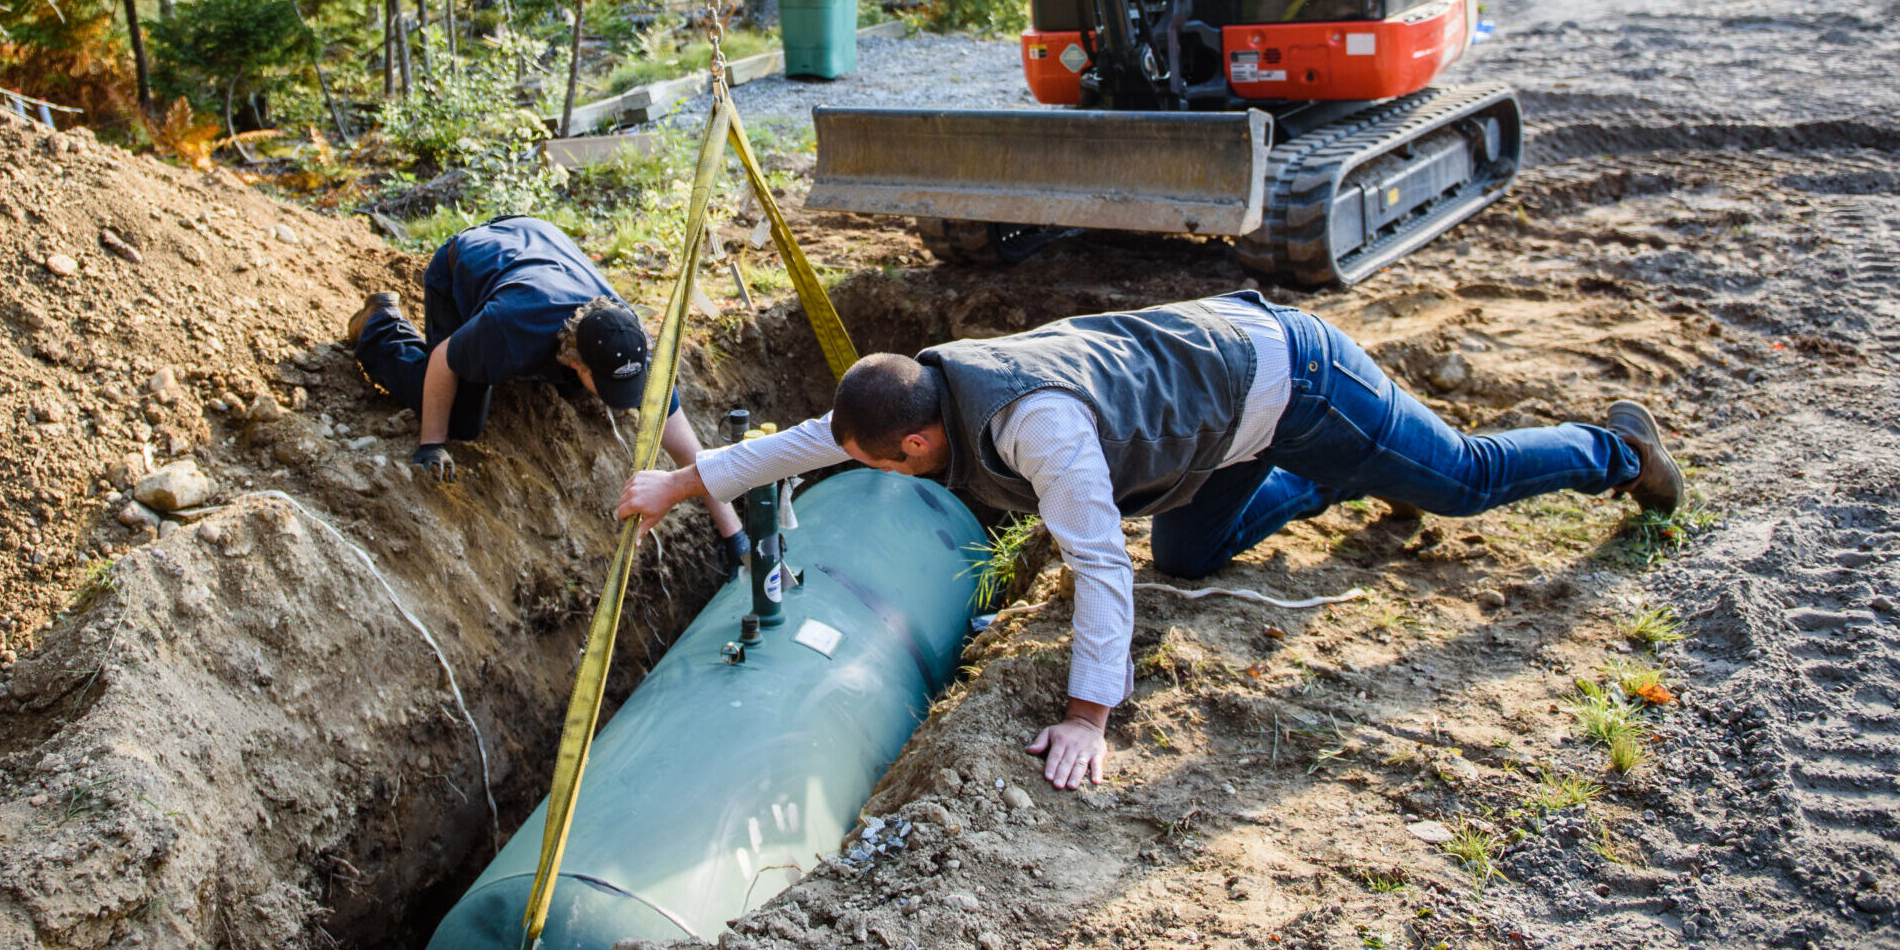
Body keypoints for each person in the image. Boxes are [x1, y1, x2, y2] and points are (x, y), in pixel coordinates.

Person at [616, 290, 1681, 790]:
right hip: (1218, 423)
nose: (890, 473)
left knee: (1457, 479)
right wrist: (678, 481)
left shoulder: (1043, 433)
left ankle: (1614, 450)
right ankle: (1339, 484)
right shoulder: (919, 390)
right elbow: (819, 437)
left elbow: (1094, 562)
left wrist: (1090, 714)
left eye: (895, 461)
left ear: (925, 434)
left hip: (1291, 378)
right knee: (1192, 558)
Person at [352, 215, 746, 563]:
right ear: (575, 361)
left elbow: (686, 449)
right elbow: (442, 360)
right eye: (606, 384)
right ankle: (380, 325)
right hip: (466, 262)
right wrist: (431, 444)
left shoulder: (628, 339)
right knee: (463, 419)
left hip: (538, 241)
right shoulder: (510, 331)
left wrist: (735, 536)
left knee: (573, 390)